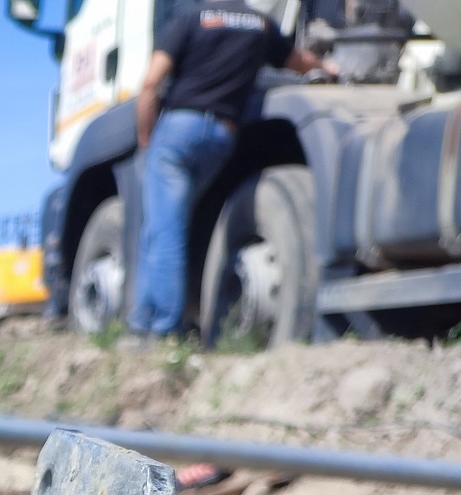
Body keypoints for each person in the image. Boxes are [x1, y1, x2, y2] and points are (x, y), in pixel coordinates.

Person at [128, 1, 323, 335]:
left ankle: (161, 327)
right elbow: (298, 62)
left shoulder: (188, 19)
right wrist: (328, 66)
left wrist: (145, 137)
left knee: (165, 229)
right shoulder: (259, 24)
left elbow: (150, 83)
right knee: (163, 226)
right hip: (223, 135)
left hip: (179, 131)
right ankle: (142, 319)